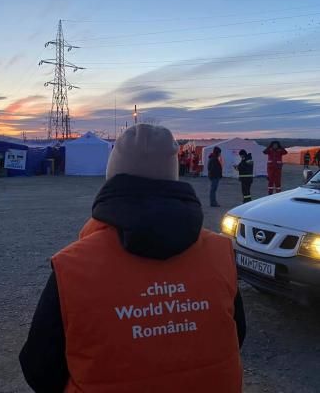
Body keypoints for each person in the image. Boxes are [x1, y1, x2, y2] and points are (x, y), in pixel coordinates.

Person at [19, 124, 245, 393]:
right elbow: (235, 334)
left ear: (113, 175)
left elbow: (39, 367)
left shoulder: (74, 267)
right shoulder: (221, 253)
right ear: (173, 176)